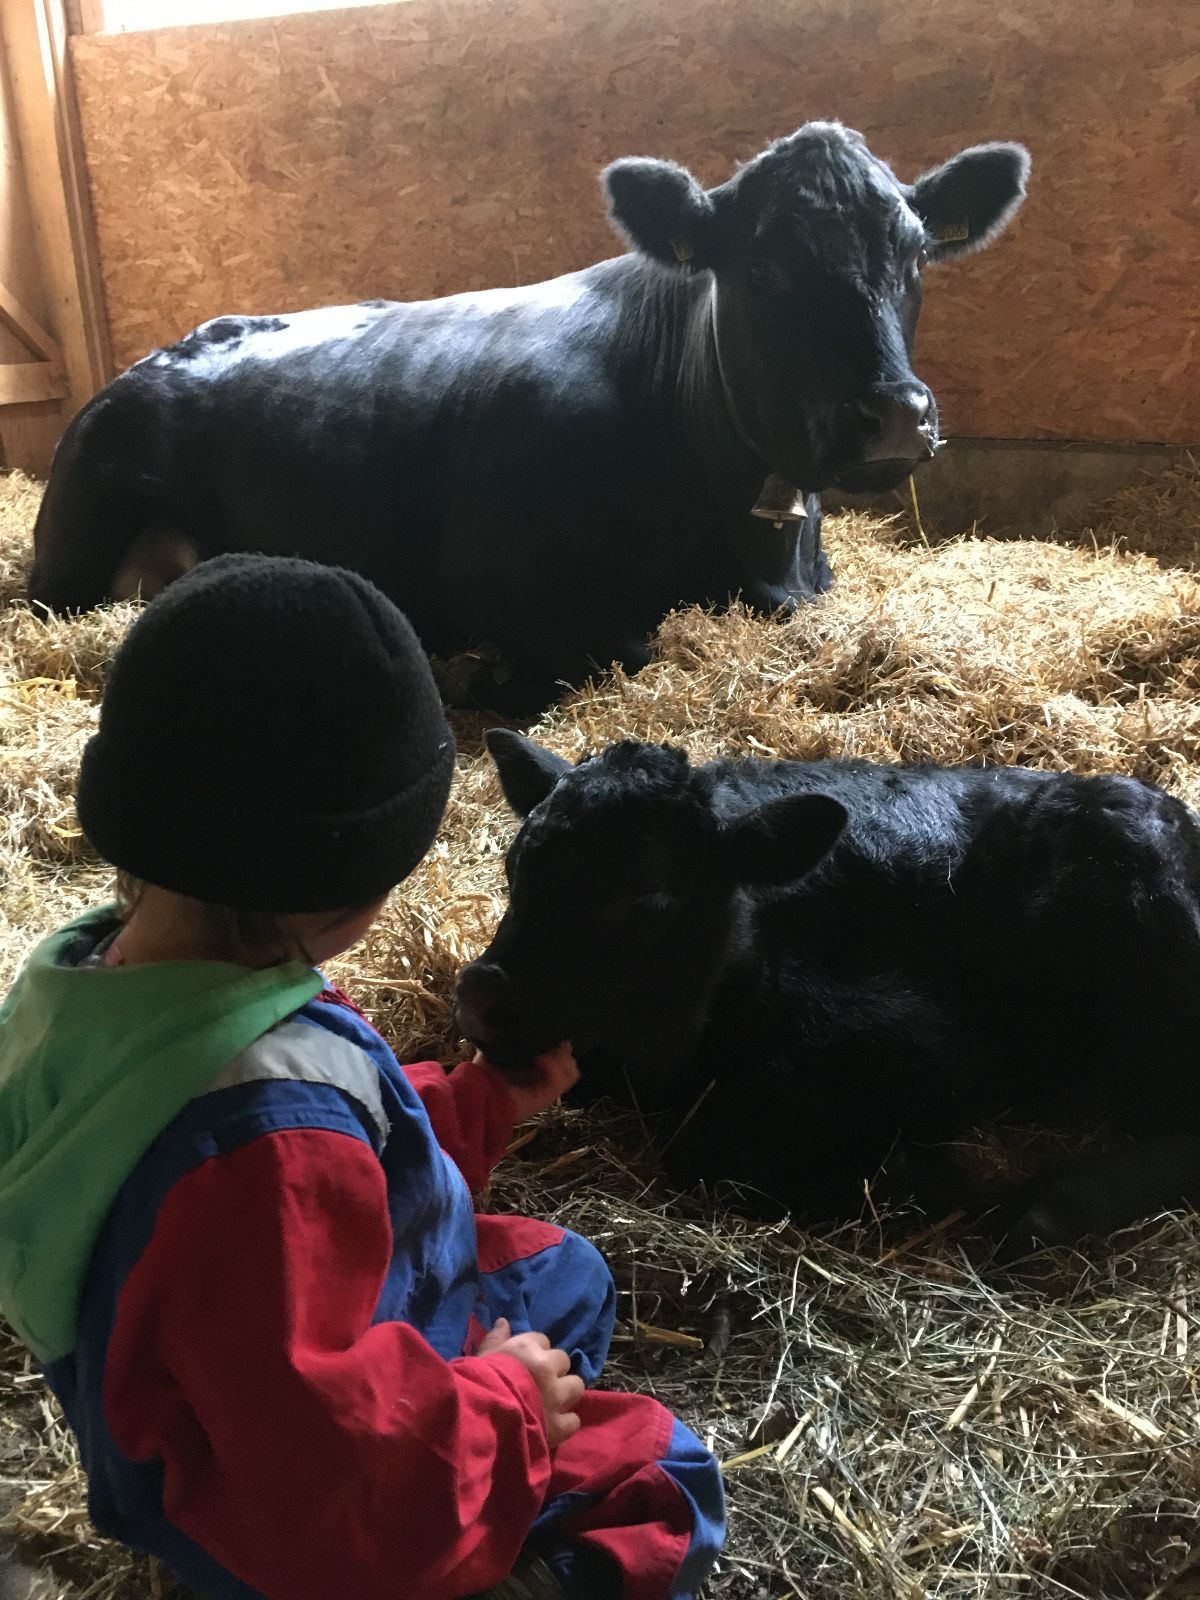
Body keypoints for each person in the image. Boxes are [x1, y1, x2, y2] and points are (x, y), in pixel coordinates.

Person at [0, 557, 725, 1600]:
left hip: (178, 1403)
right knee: (667, 1475)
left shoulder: (88, 984)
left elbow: (315, 1142)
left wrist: (476, 1106)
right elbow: (330, 1445)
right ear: (348, 885)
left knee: (565, 1270)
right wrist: (509, 1404)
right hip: (282, 1518)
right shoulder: (262, 1138)